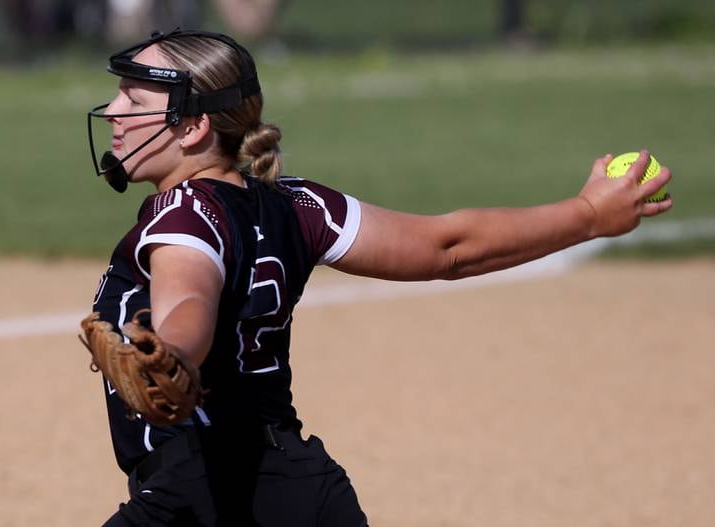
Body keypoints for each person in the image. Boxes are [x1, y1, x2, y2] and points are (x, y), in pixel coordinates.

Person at [85, 29, 672, 527]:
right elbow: (449, 248)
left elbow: (190, 295)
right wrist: (590, 214)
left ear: (191, 128)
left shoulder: (183, 213)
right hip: (306, 491)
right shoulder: (299, 205)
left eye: (133, 101)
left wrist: (173, 356)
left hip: (205, 496)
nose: (113, 114)